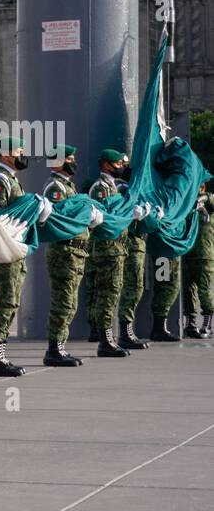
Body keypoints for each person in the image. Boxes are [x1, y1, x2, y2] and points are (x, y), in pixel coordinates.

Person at [0, 136, 29, 375]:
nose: (23, 155)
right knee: (4, 302)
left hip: (13, 248)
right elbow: (0, 214)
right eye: (20, 151)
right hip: (3, 249)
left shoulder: (11, 179)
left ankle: (0, 354)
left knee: (11, 302)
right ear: (7, 155)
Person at [42, 145, 91, 367]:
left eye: (73, 158)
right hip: (64, 251)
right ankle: (54, 349)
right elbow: (59, 218)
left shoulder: (67, 185)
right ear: (56, 162)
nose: (73, 162)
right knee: (63, 301)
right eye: (68, 158)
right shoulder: (55, 187)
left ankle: (60, 346)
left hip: (75, 251)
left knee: (70, 302)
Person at [86, 149, 138, 358]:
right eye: (119, 164)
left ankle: (109, 338)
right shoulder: (100, 188)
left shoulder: (115, 187)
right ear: (107, 165)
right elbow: (106, 216)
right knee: (107, 293)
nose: (122, 167)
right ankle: (105, 340)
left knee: (113, 292)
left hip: (118, 247)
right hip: (106, 247)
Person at [114, 172, 150, 349]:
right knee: (132, 286)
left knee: (135, 287)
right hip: (131, 242)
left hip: (138, 242)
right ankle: (125, 332)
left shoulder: (136, 191)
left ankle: (127, 331)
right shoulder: (122, 189)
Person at [182, 186, 214, 337]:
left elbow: (210, 198)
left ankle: (207, 322)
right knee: (188, 292)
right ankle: (191, 323)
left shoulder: (209, 205)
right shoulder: (187, 204)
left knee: (205, 291)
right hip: (187, 254)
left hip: (204, 256)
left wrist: (201, 199)